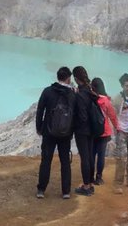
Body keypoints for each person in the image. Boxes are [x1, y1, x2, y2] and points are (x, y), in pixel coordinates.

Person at [35, 67, 78, 200]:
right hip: (65, 134)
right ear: (68, 78)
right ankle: (65, 191)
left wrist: (39, 127)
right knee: (65, 161)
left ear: (58, 77)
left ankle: (41, 189)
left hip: (48, 132)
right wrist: (72, 131)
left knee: (46, 160)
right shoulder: (72, 94)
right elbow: (75, 115)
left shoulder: (48, 91)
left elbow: (40, 109)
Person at [70, 67, 104, 196]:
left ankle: (86, 186)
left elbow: (82, 116)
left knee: (85, 158)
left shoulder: (80, 95)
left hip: (82, 131)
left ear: (76, 79)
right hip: (92, 130)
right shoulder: (91, 91)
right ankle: (90, 183)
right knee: (90, 156)